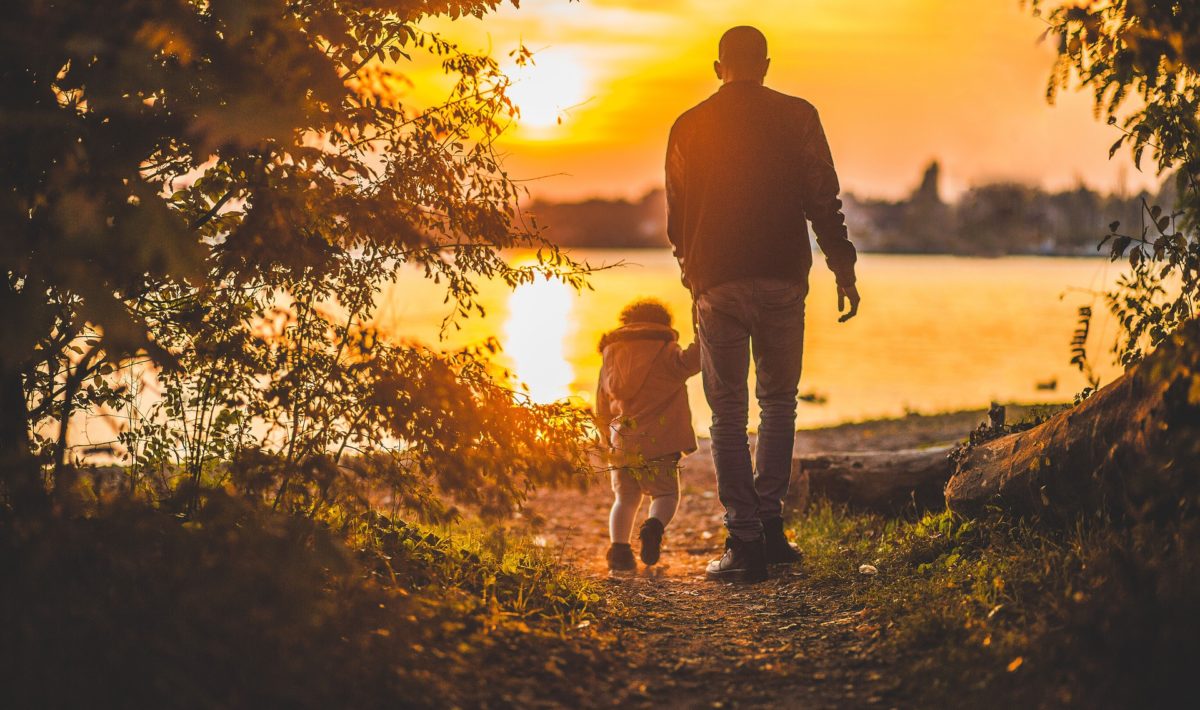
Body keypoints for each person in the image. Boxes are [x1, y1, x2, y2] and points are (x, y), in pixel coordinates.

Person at [665, 25, 861, 583]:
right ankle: (771, 529)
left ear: (717, 66)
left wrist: (691, 275)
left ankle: (744, 540)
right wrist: (842, 266)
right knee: (779, 403)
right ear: (767, 65)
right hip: (780, 276)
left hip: (717, 283)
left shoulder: (688, 125)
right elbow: (824, 198)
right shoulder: (798, 116)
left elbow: (677, 216)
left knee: (727, 413)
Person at [595, 298, 702, 575]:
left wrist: (606, 438)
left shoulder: (610, 355)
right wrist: (701, 321)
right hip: (660, 442)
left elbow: (601, 404)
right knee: (665, 493)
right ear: (663, 325)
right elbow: (697, 359)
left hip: (621, 442)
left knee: (625, 499)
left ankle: (619, 552)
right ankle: (653, 528)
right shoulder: (667, 351)